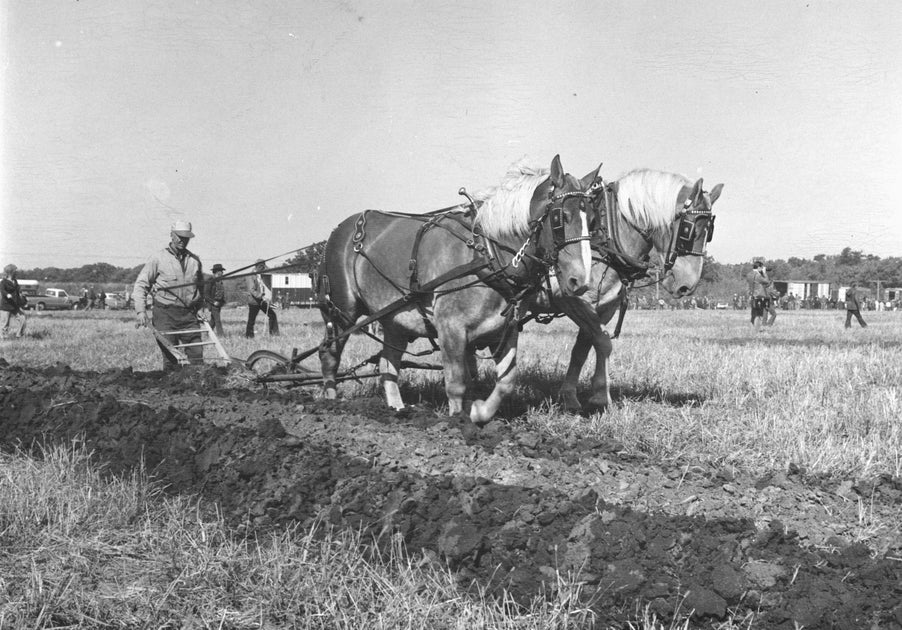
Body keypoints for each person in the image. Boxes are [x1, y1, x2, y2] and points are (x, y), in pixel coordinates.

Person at [132, 220, 205, 370]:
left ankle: (199, 389)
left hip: (189, 315)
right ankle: (173, 391)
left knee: (197, 356)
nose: (182, 240)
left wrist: (201, 307)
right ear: (171, 235)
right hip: (166, 314)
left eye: (186, 237)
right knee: (171, 359)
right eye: (179, 236)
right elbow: (141, 285)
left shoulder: (194, 261)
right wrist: (141, 311)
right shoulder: (158, 258)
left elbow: (200, 288)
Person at [245, 259, 279, 338]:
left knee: (272, 315)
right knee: (251, 320)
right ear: (258, 267)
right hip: (254, 301)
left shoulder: (261, 275)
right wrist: (260, 295)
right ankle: (249, 336)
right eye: (262, 267)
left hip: (261, 300)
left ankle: (274, 334)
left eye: (263, 267)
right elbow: (252, 289)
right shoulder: (251, 276)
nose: (263, 269)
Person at [1, 264, 27, 339]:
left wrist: (23, 295)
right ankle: (3, 338)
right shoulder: (4, 282)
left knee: (22, 318)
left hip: (15, 305)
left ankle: (19, 335)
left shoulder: (15, 281)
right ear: (11, 272)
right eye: (15, 271)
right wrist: (7, 294)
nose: (16, 272)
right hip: (5, 306)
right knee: (5, 323)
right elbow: (2, 290)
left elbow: (18, 290)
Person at [746, 261, 771, 332]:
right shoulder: (758, 275)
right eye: (762, 267)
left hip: (752, 296)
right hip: (759, 296)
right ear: (759, 267)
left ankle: (752, 330)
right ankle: (756, 331)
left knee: (753, 315)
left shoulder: (749, 274)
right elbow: (767, 282)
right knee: (759, 315)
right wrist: (764, 273)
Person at [207, 263, 227, 336]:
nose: (222, 273)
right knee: (217, 320)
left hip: (219, 303)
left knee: (213, 320)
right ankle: (221, 335)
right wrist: (213, 302)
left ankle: (207, 333)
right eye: (221, 271)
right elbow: (206, 294)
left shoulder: (220, 281)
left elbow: (221, 292)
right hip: (213, 304)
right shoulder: (210, 280)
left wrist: (223, 301)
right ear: (216, 272)